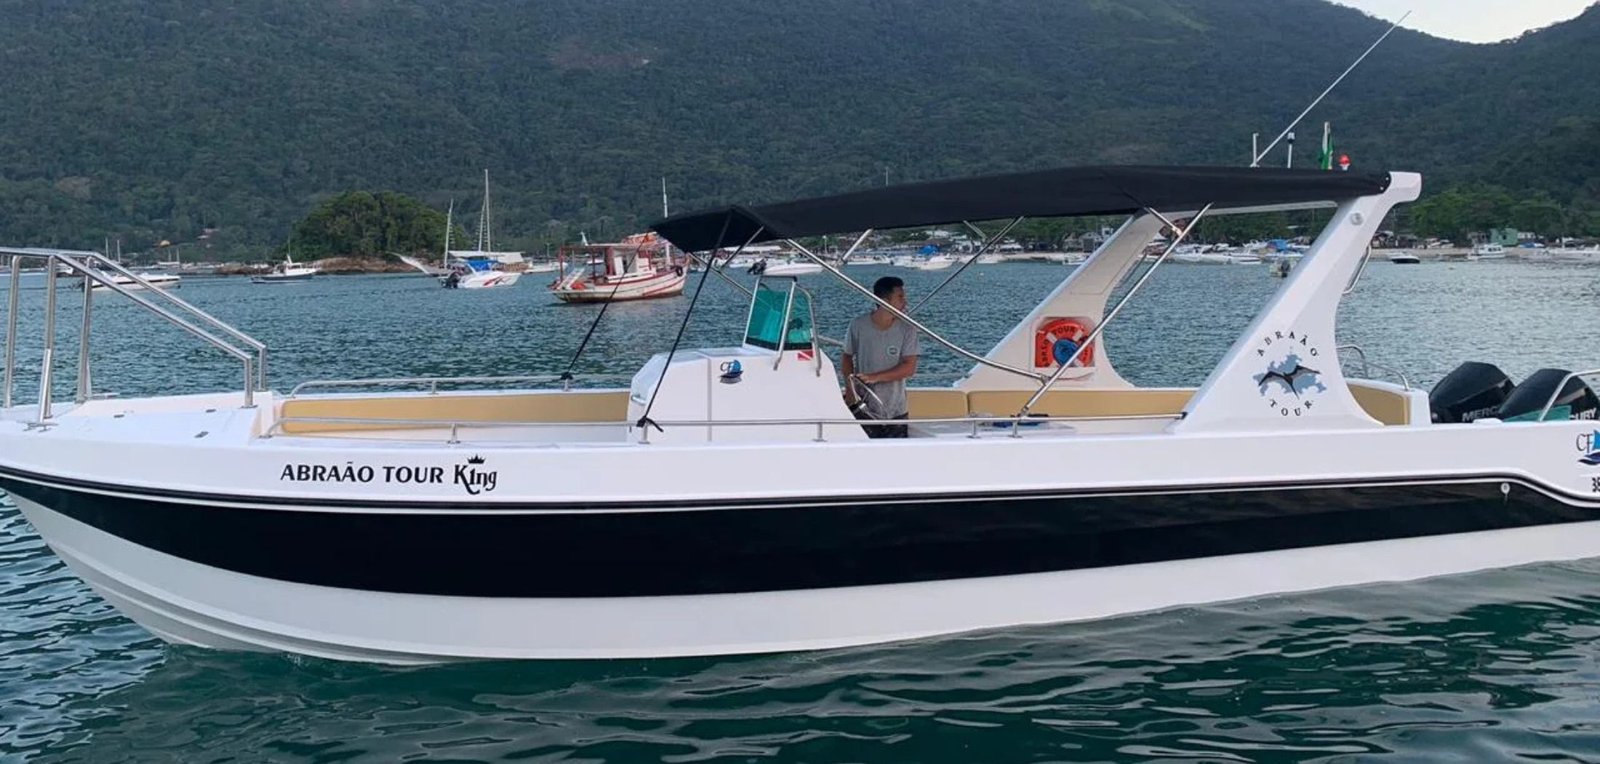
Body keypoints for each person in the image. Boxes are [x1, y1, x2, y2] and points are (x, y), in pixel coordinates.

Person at [842, 276, 920, 438]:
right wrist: (850, 389)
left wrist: (875, 377)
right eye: (900, 297)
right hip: (863, 407)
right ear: (884, 301)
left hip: (896, 410)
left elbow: (909, 367)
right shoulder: (858, 326)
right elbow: (846, 357)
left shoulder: (908, 329)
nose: (905, 302)